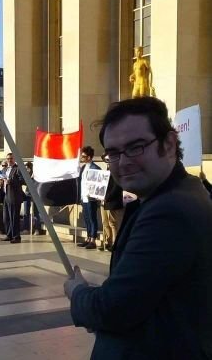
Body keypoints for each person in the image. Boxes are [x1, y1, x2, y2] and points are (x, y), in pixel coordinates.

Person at [64, 97, 212, 359]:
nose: (122, 162)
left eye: (136, 147)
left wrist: (77, 293)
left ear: (168, 144)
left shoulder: (169, 211)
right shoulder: (178, 192)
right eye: (113, 153)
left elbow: (113, 309)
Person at [77, 146, 101, 249]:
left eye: (84, 156)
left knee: (92, 218)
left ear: (89, 157)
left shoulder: (95, 168)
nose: (82, 158)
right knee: (86, 218)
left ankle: (93, 239)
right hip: (84, 197)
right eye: (81, 156)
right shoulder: (83, 167)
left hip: (91, 198)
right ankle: (88, 238)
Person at [99, 163, 124, 251]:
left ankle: (114, 242)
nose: (107, 163)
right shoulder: (105, 173)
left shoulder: (117, 173)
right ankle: (108, 242)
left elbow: (116, 188)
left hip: (112, 201)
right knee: (105, 222)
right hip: (104, 201)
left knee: (112, 223)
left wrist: (107, 197)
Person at [1, 153, 24, 243]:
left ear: (14, 159)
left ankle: (16, 236)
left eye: (11, 159)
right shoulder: (6, 169)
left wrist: (12, 181)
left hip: (14, 196)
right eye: (8, 159)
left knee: (14, 217)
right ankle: (9, 234)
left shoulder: (18, 169)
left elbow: (23, 180)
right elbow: (4, 179)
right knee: (6, 217)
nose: (9, 160)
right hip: (6, 196)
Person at [21, 162, 43, 236]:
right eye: (26, 168)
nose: (27, 169)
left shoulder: (36, 175)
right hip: (27, 194)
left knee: (36, 213)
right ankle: (26, 229)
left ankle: (37, 229)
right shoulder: (26, 175)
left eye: (28, 168)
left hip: (35, 195)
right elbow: (23, 182)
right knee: (26, 212)